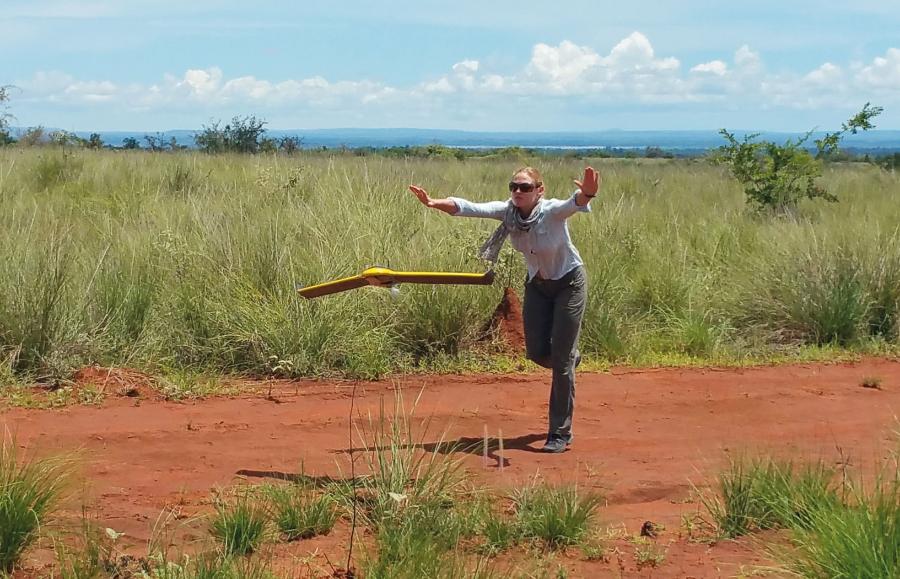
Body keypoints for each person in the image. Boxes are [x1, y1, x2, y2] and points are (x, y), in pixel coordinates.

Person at [409, 166, 600, 453]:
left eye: (525, 187)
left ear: (539, 190)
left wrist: (587, 192)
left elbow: (575, 203)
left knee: (560, 361)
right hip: (537, 284)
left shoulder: (552, 212)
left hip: (569, 283)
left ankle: (559, 433)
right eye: (514, 186)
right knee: (536, 351)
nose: (518, 192)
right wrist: (434, 203)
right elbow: (469, 207)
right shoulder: (508, 212)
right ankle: (568, 362)